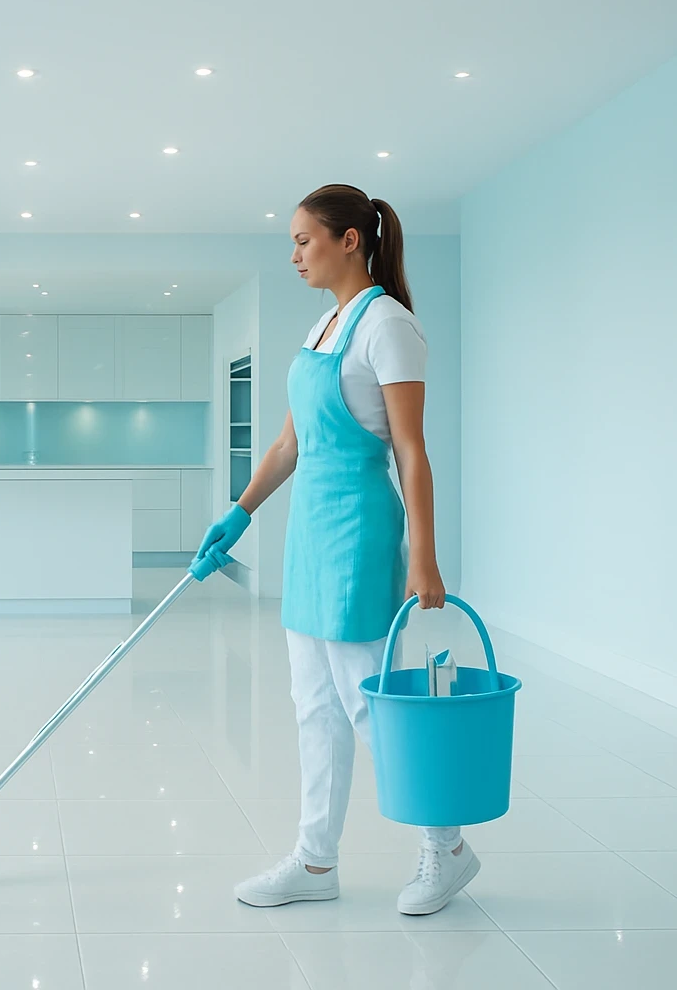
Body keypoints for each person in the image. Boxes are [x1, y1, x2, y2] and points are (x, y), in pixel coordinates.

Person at [190, 184, 479, 916]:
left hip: (360, 533)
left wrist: (425, 554)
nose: (294, 254)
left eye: (303, 240)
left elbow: (412, 451)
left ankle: (445, 848)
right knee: (313, 706)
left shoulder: (389, 326)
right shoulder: (324, 324)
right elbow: (289, 443)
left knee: (366, 706)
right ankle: (316, 863)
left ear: (350, 240)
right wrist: (240, 513)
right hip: (309, 539)